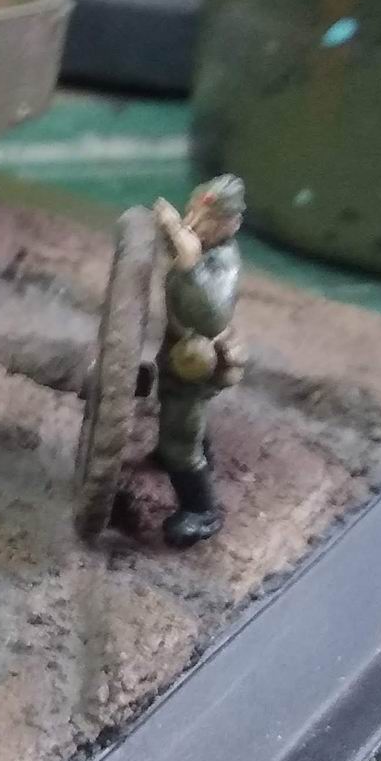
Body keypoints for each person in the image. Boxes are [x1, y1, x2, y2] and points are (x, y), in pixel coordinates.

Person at [151, 175, 247, 547]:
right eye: (192, 212)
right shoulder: (201, 243)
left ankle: (201, 509)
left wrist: (190, 263)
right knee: (174, 406)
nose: (194, 224)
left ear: (231, 225)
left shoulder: (224, 262)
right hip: (176, 347)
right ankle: (189, 449)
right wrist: (170, 229)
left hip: (197, 358)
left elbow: (212, 317)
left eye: (207, 220)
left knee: (181, 425)